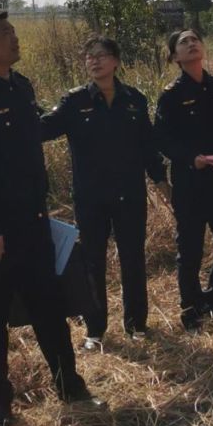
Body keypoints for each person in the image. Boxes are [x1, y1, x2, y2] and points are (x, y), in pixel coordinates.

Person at [0, 9, 99, 426]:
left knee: (50, 309)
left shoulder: (22, 87)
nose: (14, 38)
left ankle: (69, 385)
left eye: (14, 30)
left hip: (34, 224)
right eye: (5, 33)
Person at [40, 35, 169, 348]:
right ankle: (95, 330)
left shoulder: (134, 100)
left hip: (129, 193)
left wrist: (162, 182)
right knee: (93, 262)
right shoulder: (74, 101)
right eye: (89, 57)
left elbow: (147, 146)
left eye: (100, 55)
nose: (94, 61)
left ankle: (137, 324)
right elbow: (43, 128)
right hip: (90, 197)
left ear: (115, 61)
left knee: (133, 259)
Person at [154, 28, 213, 330]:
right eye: (184, 42)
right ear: (174, 57)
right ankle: (191, 310)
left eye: (195, 39)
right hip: (190, 184)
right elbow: (162, 139)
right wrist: (189, 157)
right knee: (191, 250)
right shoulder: (171, 96)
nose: (192, 44)